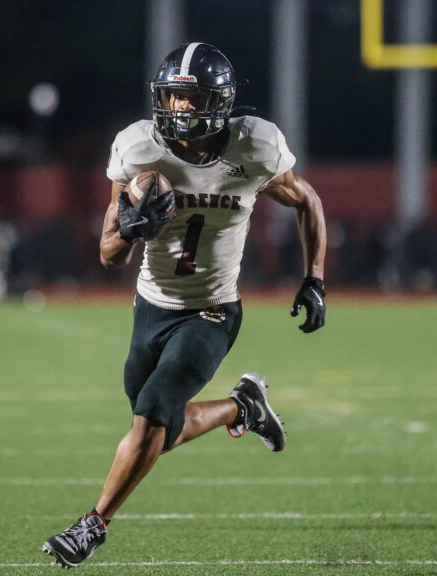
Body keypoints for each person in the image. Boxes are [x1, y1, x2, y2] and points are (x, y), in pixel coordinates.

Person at [41, 42, 327, 568]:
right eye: (173, 98)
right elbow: (108, 254)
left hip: (213, 310)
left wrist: (314, 278)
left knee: (151, 415)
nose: (180, 110)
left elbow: (307, 199)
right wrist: (131, 227)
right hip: (151, 307)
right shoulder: (138, 149)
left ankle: (92, 525)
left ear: (218, 101)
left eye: (192, 99)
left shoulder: (255, 146)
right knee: (158, 429)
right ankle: (242, 407)